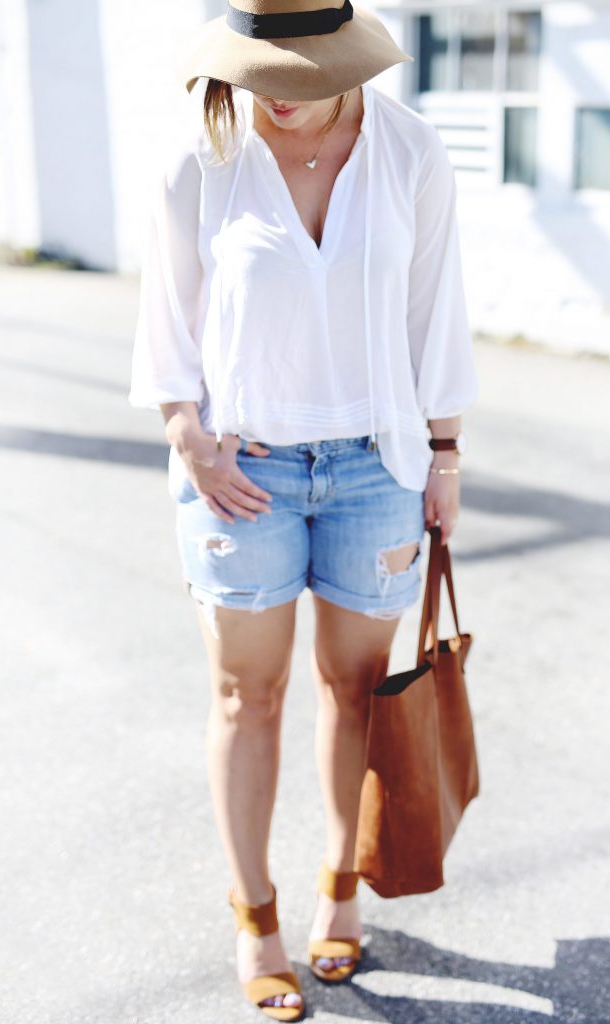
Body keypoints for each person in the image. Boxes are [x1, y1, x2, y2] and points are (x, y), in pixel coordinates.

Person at [128, 0, 479, 1019]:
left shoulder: (409, 151)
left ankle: (340, 881)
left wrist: (445, 455)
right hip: (240, 467)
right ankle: (255, 914)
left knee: (355, 688)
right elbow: (167, 318)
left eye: (298, 77)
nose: (276, 102)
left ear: (348, 58)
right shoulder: (199, 154)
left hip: (379, 464)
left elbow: (433, 309)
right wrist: (184, 431)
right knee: (248, 695)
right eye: (258, 75)